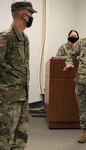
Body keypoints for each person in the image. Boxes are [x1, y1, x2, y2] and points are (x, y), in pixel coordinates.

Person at [0, 1, 37, 150]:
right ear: (24, 15)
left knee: (21, 136)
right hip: (8, 99)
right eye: (31, 14)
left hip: (23, 96)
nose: (32, 17)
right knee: (5, 137)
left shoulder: (24, 38)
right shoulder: (6, 37)